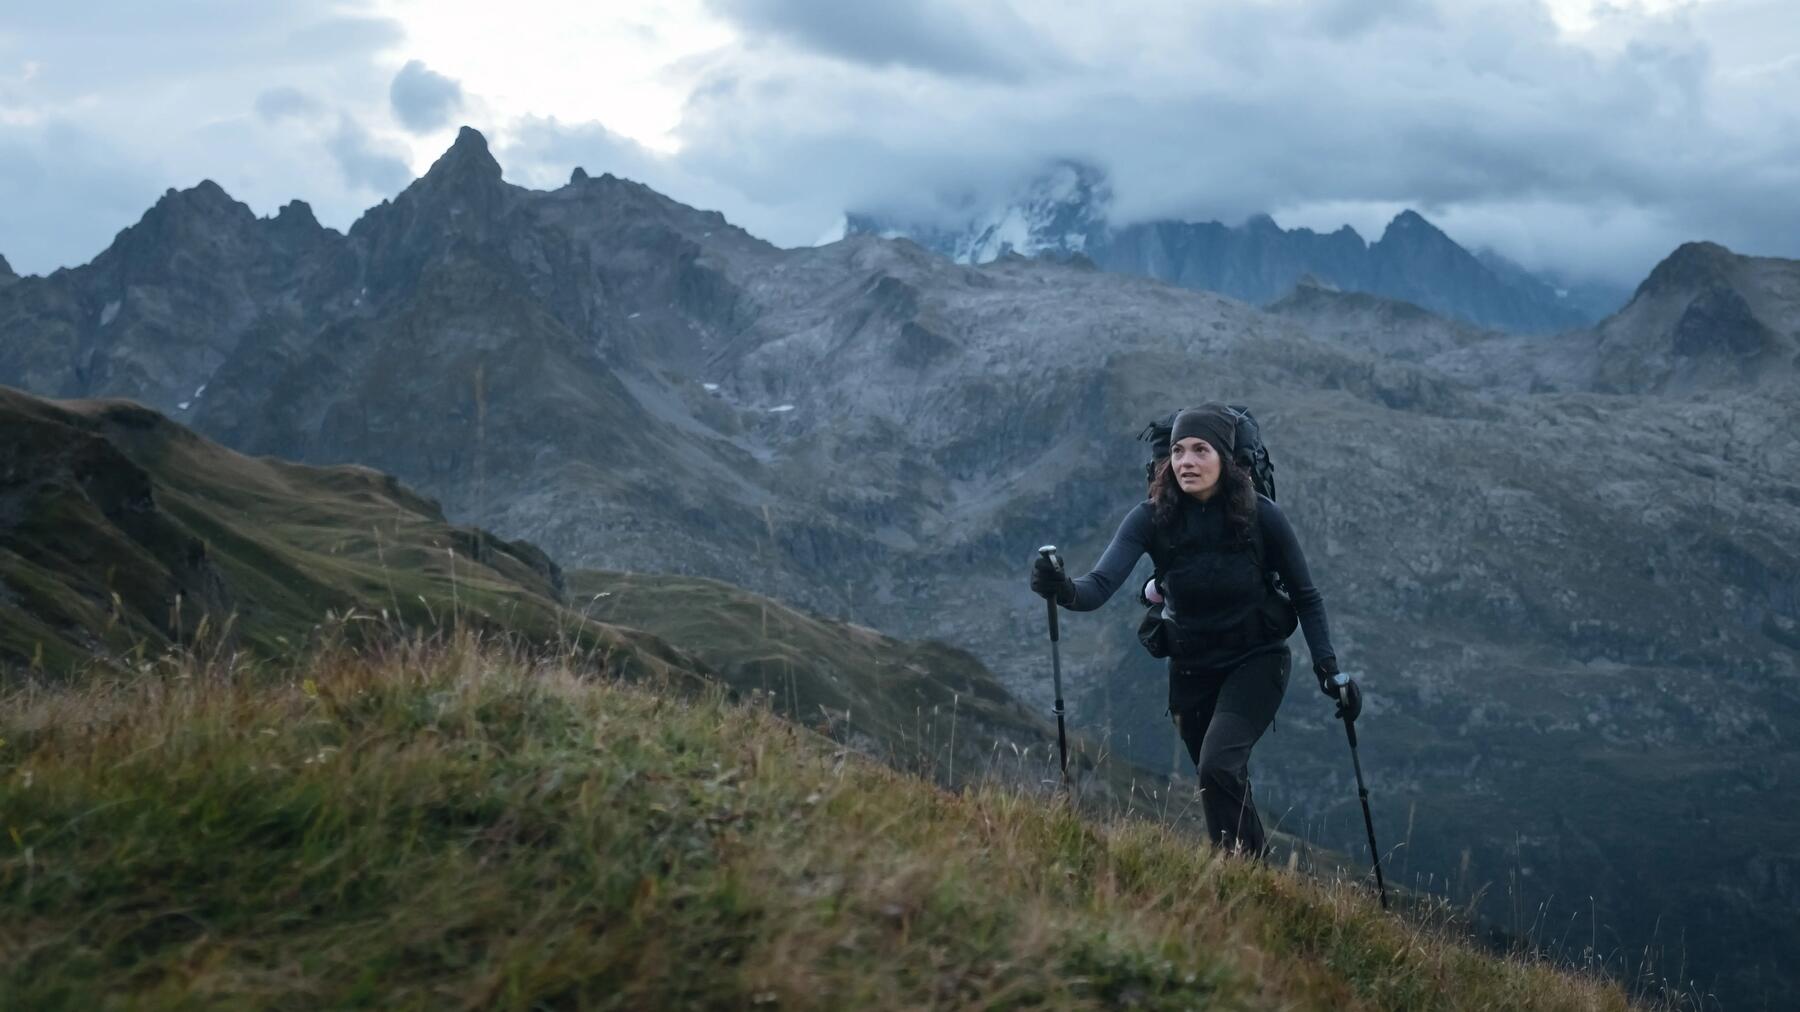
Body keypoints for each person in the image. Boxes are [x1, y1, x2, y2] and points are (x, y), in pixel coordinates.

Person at [1029, 403, 1357, 858]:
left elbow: (1306, 596)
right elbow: (1097, 587)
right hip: (1191, 670)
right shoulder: (1150, 518)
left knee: (1218, 766)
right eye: (1179, 451)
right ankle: (1246, 882)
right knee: (1217, 781)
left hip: (1256, 661)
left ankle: (1245, 882)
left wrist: (1329, 670)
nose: (1186, 461)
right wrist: (1059, 586)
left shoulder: (1264, 517)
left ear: (1225, 458)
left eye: (1201, 450)